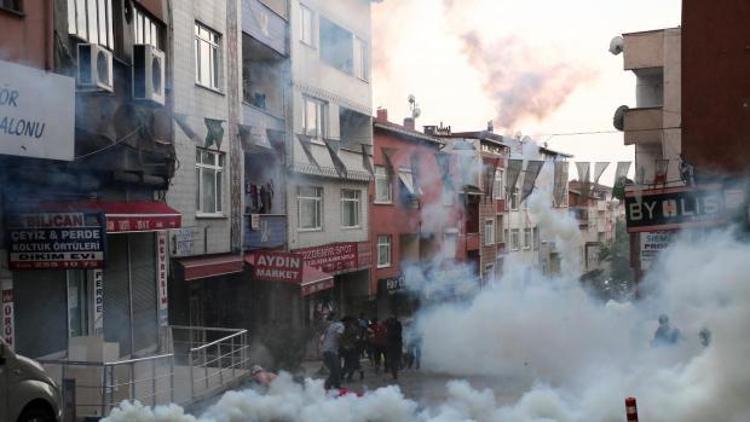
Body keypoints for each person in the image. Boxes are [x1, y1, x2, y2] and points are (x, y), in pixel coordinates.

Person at [321, 313, 345, 389]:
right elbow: (338, 336)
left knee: (335, 370)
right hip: (331, 351)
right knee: (336, 371)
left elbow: (322, 339)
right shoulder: (340, 326)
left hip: (326, 351)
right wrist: (343, 346)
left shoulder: (330, 327)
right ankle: (327, 387)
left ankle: (336, 387)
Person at [341, 316, 364, 382]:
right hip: (350, 348)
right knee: (351, 363)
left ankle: (344, 376)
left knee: (350, 363)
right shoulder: (351, 328)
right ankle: (348, 376)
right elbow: (356, 338)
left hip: (350, 348)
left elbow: (356, 338)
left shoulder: (349, 328)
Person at [385, 315, 403, 380]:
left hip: (396, 345)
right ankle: (394, 373)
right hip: (392, 346)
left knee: (395, 360)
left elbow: (397, 335)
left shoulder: (397, 326)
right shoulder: (389, 326)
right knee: (393, 360)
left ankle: (395, 372)